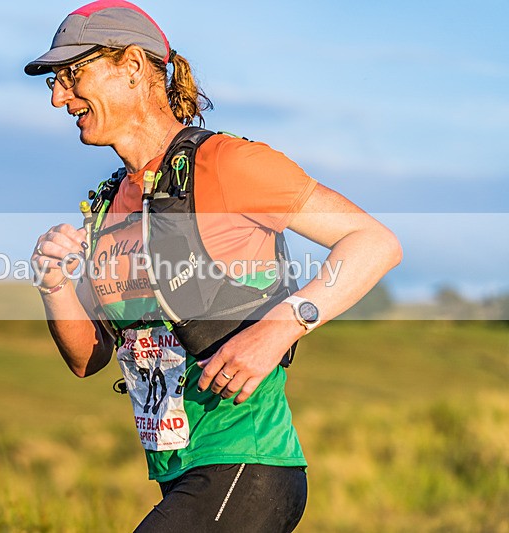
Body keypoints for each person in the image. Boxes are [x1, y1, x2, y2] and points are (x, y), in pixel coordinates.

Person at [25, 1, 402, 531]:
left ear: (133, 67)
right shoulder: (109, 205)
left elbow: (373, 242)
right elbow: (89, 358)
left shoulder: (226, 164)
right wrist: (54, 285)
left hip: (249, 462)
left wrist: (279, 327)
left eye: (73, 74)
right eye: (54, 82)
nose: (59, 97)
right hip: (175, 473)